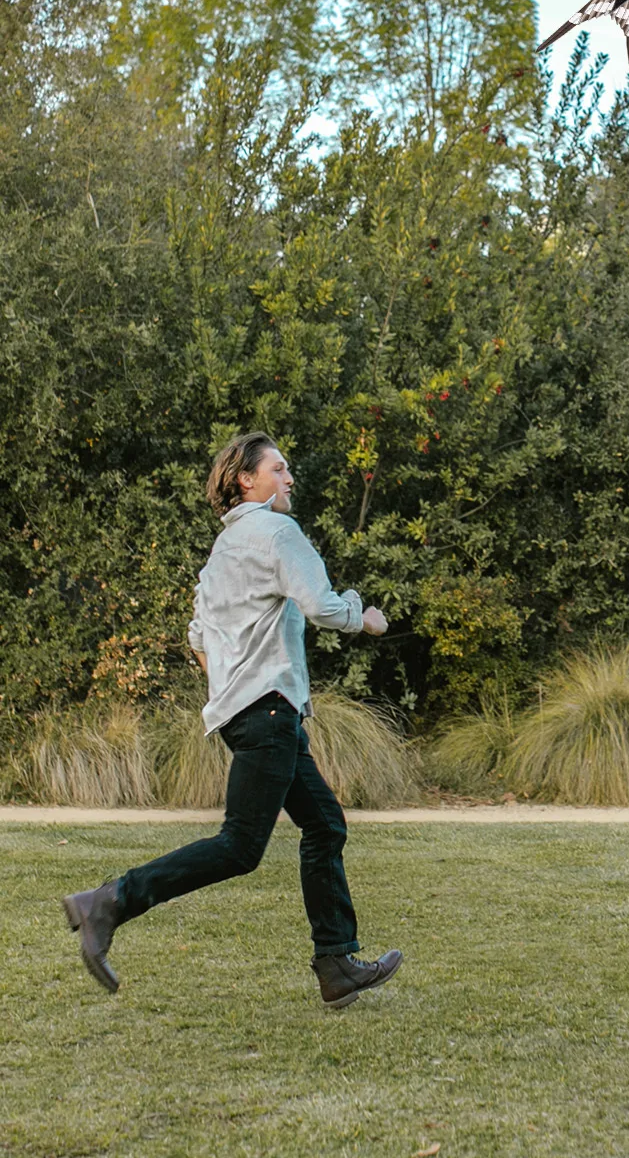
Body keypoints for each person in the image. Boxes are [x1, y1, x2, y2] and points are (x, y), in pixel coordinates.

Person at [62, 432, 404, 1008]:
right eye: (279, 467)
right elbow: (319, 605)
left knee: (324, 825)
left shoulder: (222, 553)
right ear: (247, 479)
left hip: (254, 714)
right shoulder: (277, 532)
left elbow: (199, 635)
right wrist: (363, 617)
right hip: (268, 710)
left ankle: (336, 964)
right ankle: (110, 900)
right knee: (240, 847)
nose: (289, 477)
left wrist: (230, 683)